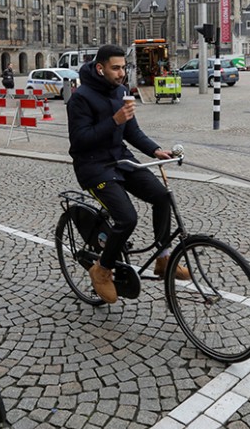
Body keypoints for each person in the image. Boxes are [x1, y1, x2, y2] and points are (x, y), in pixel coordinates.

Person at [66, 44, 184, 304]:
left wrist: (155, 150)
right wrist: (114, 121)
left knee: (162, 197)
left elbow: (132, 132)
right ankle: (102, 270)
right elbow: (79, 141)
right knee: (127, 218)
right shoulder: (80, 98)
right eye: (115, 68)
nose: (121, 73)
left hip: (120, 160)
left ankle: (164, 259)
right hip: (92, 166)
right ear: (100, 68)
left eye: (123, 67)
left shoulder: (120, 92)